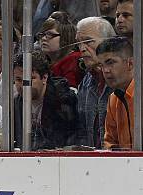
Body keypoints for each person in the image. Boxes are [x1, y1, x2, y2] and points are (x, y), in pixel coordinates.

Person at [13, 50, 78, 150]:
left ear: (44, 77)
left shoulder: (64, 101)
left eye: (30, 79)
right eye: (18, 80)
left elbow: (70, 140)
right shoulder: (16, 103)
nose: (23, 85)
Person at [75, 17, 116, 148]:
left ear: (109, 42)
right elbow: (82, 132)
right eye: (79, 43)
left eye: (88, 41)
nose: (82, 48)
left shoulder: (124, 79)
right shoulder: (85, 83)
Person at [98, 36, 134, 150]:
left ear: (130, 63)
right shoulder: (113, 99)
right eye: (101, 65)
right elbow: (109, 142)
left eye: (110, 63)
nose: (105, 70)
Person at [38, 12, 84, 88]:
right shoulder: (44, 62)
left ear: (65, 37)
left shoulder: (73, 60)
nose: (43, 38)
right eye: (42, 34)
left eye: (49, 34)